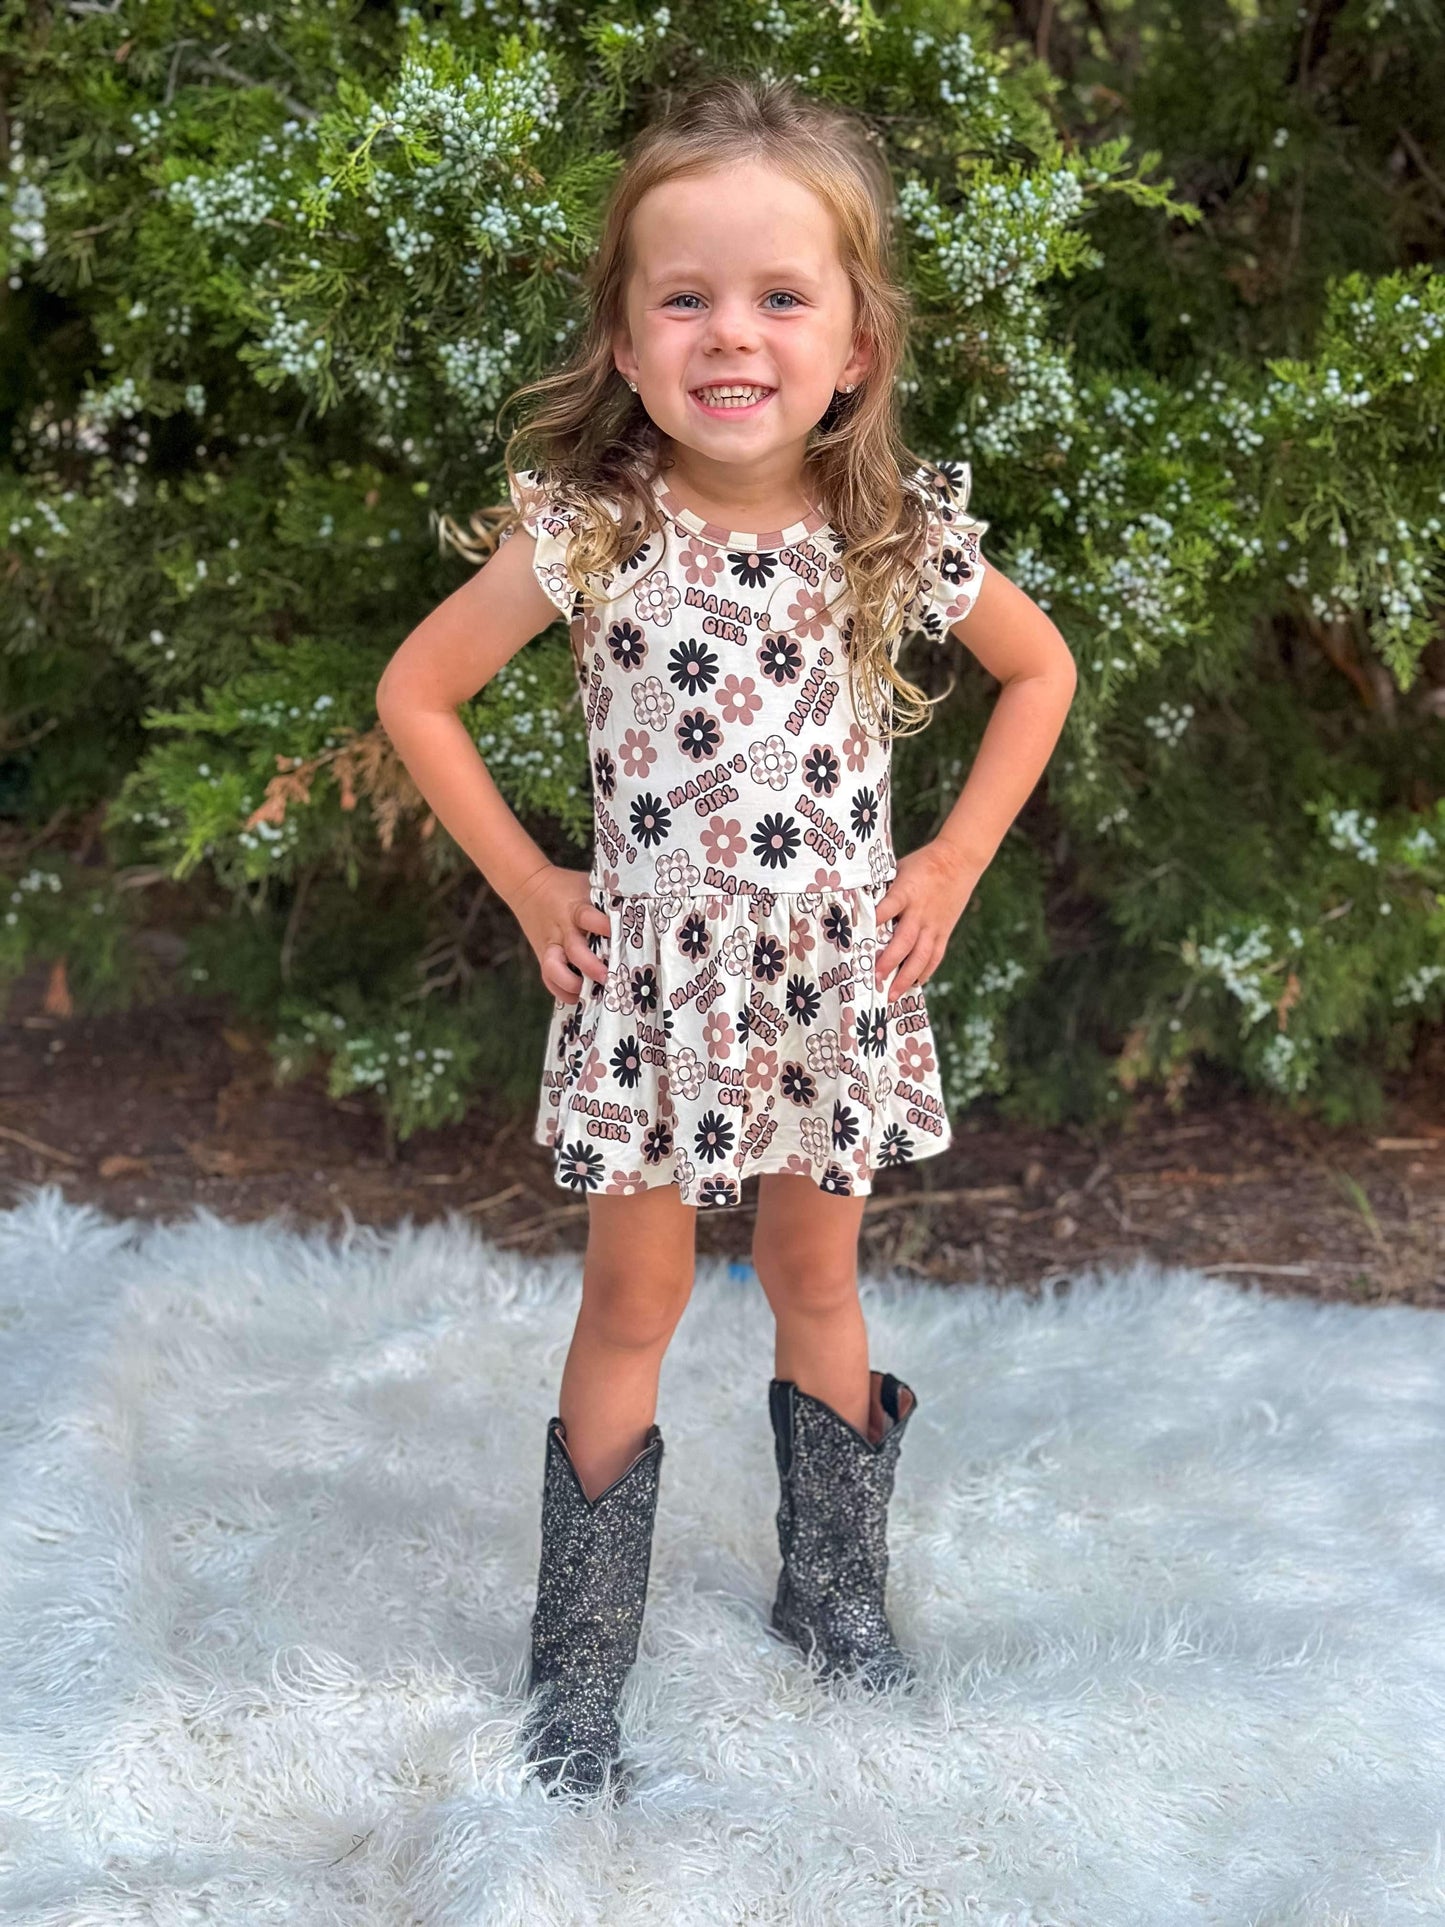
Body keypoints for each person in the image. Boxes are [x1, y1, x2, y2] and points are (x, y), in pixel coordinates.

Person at [375, 73, 1077, 1807]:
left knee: (814, 1277)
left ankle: (831, 1595)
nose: (731, 334)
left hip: (831, 982)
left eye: (778, 296)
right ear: (626, 343)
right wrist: (532, 882)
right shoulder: (594, 532)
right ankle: (578, 1661)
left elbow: (1040, 671)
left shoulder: (888, 535)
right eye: (683, 298)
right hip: (655, 991)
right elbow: (416, 692)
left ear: (853, 346)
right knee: (635, 1294)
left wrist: (952, 858)